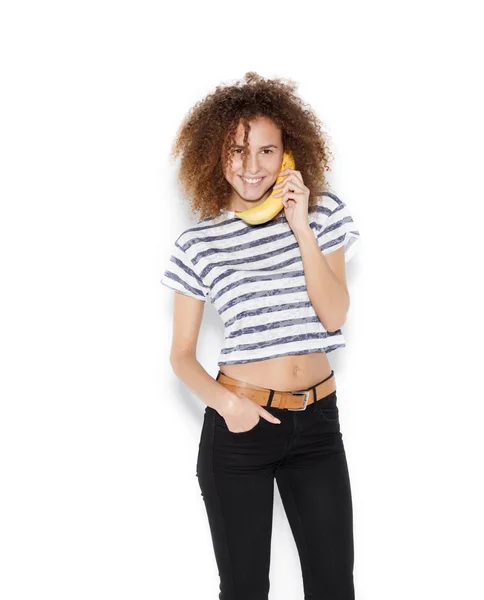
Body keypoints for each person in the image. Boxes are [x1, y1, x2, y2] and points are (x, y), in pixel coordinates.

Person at [160, 72, 361, 600]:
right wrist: (229, 407)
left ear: (289, 153)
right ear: (213, 155)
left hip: (318, 424)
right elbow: (181, 355)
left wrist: (301, 229)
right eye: (237, 151)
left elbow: (335, 314)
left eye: (267, 150)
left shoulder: (322, 215)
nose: (252, 167)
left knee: (334, 586)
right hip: (242, 426)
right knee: (245, 589)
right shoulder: (198, 242)